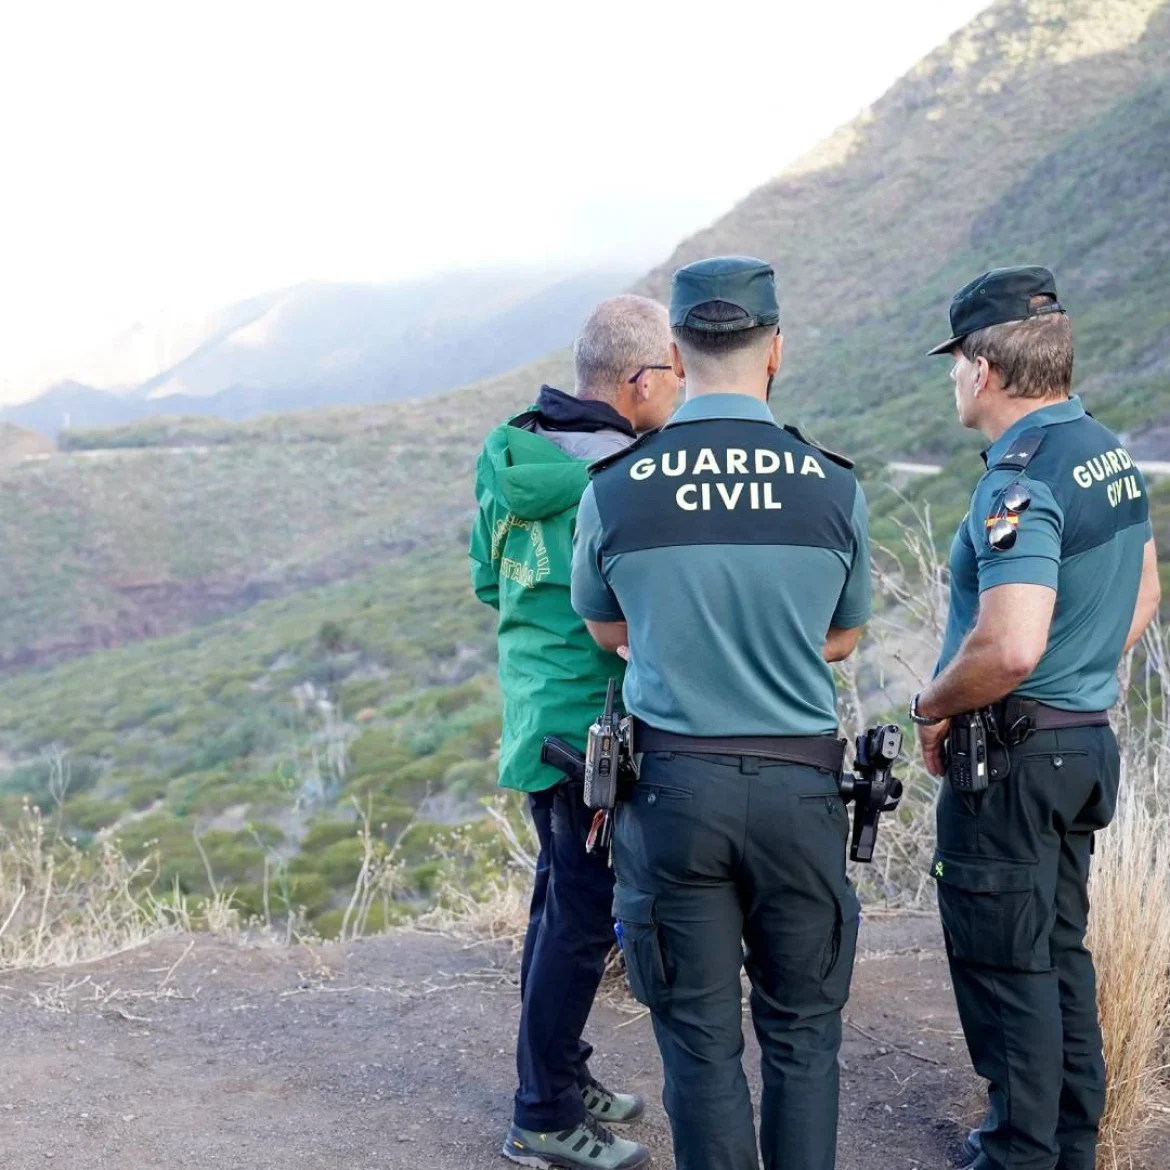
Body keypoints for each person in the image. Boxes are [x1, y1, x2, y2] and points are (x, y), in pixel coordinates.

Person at [571, 256, 872, 1170]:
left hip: (672, 796)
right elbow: (844, 637)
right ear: (775, 349)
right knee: (803, 1038)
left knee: (698, 1043)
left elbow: (604, 625)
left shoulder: (618, 486)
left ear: (674, 350)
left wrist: (685, 637)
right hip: (799, 791)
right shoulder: (831, 485)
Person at [911, 266, 1161, 1170]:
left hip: (1016, 759)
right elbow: (1145, 590)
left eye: (953, 365)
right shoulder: (1104, 450)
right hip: (1082, 743)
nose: (950, 381)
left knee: (1005, 965)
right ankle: (1070, 1143)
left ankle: (1019, 1153)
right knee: (1057, 952)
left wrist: (931, 706)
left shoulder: (1017, 480)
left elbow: (1010, 648)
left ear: (981, 369)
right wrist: (1084, 673)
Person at [469, 294, 680, 1170]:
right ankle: (543, 1116)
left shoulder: (510, 447)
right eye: (672, 371)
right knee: (582, 920)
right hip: (592, 728)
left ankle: (560, 1070)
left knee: (557, 902)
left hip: (532, 714)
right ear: (637, 382)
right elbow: (639, 610)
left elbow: (490, 585)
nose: (680, 386)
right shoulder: (620, 478)